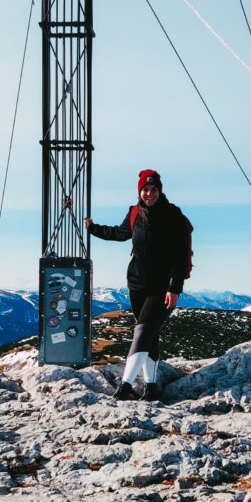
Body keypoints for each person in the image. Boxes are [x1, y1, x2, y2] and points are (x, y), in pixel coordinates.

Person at [85, 169, 188, 401]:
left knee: (141, 331)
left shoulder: (172, 215)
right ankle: (151, 386)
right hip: (136, 284)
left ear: (160, 191)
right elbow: (120, 234)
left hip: (161, 288)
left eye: (153, 189)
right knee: (150, 334)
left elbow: (180, 255)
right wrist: (93, 228)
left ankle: (126, 386)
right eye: (145, 189)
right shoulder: (134, 213)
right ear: (139, 191)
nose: (149, 193)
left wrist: (175, 287)